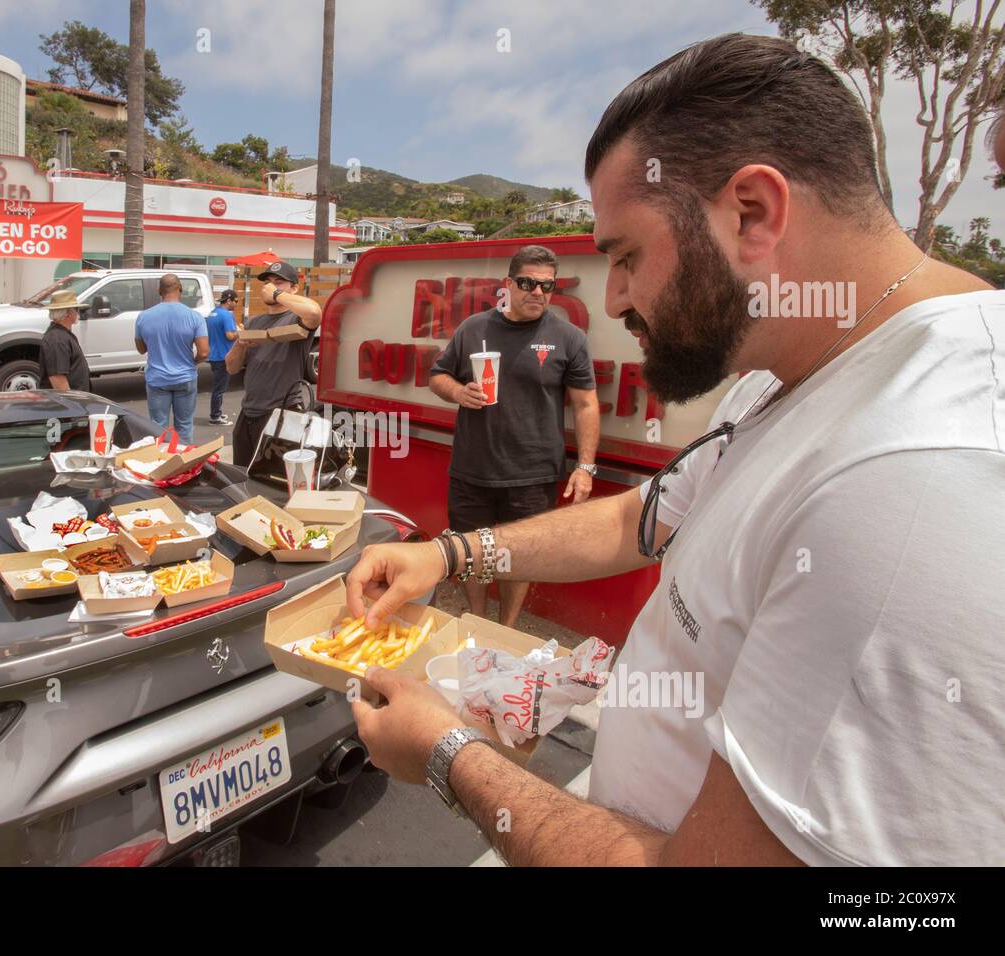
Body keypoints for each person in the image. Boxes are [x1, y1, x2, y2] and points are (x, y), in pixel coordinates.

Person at [343, 33, 1004, 866]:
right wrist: (448, 556)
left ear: (751, 212)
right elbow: (646, 519)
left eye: (626, 256)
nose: (612, 296)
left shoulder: (920, 475)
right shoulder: (794, 363)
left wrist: (444, 754)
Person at [429, 244, 600, 627]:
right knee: (471, 552)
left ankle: (505, 629)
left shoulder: (569, 337)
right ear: (508, 284)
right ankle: (476, 619)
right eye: (527, 283)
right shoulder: (474, 328)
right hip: (472, 468)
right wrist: (458, 392)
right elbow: (437, 375)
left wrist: (585, 466)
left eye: (547, 286)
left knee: (519, 556)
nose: (537, 292)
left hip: (534, 474)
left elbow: (586, 404)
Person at [224, 261, 322, 465]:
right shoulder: (253, 322)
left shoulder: (296, 318)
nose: (270, 286)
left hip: (283, 413)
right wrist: (240, 345)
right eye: (268, 282)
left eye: (279, 282)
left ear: (294, 288)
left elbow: (314, 313)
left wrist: (276, 294)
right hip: (248, 413)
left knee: (275, 485)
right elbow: (231, 367)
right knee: (243, 478)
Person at [134, 273, 209, 444]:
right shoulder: (194, 317)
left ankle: (160, 464)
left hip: (157, 379)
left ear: (159, 290)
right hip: (185, 377)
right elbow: (204, 352)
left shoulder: (144, 317)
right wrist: (193, 362)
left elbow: (141, 349)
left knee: (158, 427)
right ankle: (184, 465)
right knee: (184, 426)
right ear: (180, 289)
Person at [38, 290, 89, 392]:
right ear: (68, 313)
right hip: (68, 404)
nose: (78, 312)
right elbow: (57, 378)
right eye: (76, 309)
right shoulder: (57, 340)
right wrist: (72, 405)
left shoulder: (63, 335)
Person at [206, 289, 240, 426]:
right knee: (219, 389)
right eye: (236, 301)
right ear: (229, 301)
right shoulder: (226, 315)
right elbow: (230, 336)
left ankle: (217, 412)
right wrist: (241, 333)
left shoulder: (213, 313)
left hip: (213, 354)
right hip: (223, 356)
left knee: (217, 387)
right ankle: (215, 417)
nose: (236, 304)